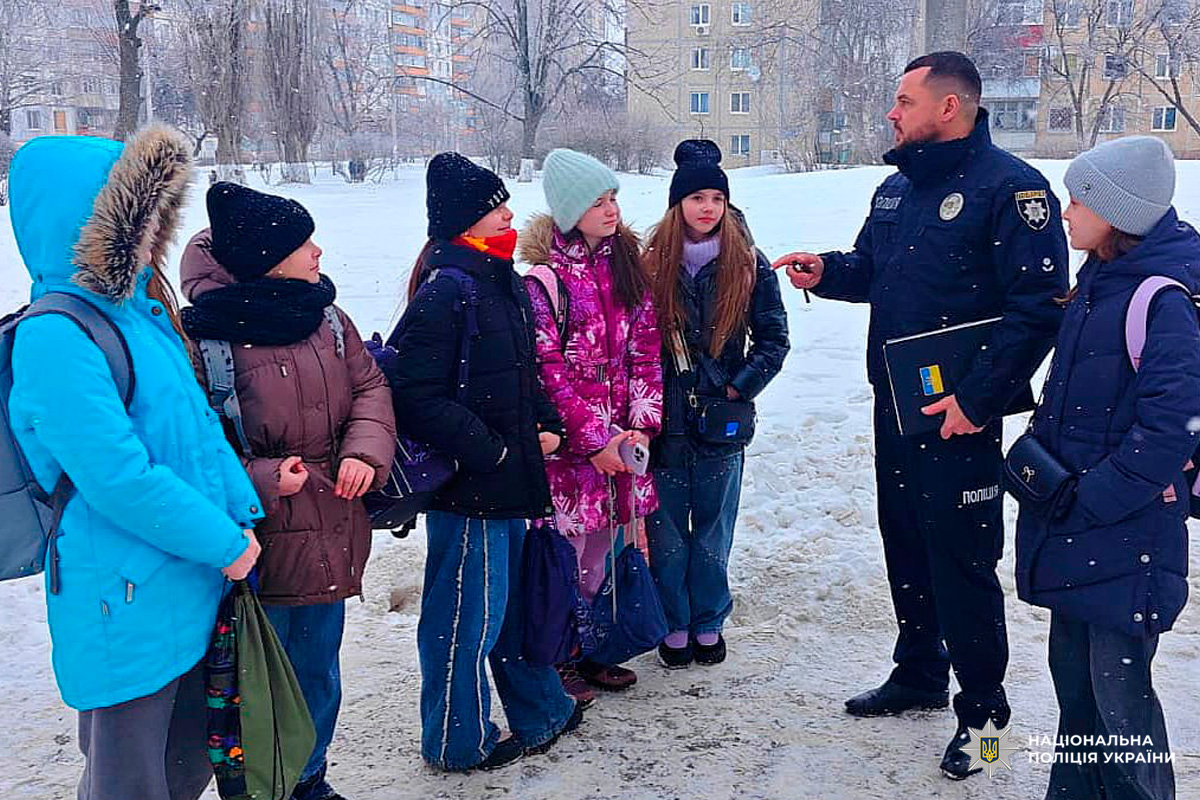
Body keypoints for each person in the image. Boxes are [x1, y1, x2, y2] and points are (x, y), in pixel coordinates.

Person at [773, 51, 1068, 779]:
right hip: (899, 408)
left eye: (904, 101)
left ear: (948, 107)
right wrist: (830, 272)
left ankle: (985, 714)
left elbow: (1038, 310)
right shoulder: (896, 191)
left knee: (962, 560)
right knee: (903, 539)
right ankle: (918, 672)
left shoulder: (1014, 190)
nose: (891, 113)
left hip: (961, 420)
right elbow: (875, 270)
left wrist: (977, 400)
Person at [7, 126, 262, 800]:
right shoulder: (56, 335)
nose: (156, 236)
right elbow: (119, 478)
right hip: (120, 597)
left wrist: (243, 513)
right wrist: (226, 540)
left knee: (184, 767)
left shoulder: (138, 317)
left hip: (188, 576)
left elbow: (200, 436)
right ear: (91, 226)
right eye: (139, 218)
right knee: (129, 781)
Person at [179, 183, 396, 800]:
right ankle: (263, 786)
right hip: (255, 540)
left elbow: (371, 388)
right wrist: (266, 478)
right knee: (257, 678)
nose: (318, 252)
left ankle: (309, 779)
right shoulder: (206, 338)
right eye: (304, 244)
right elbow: (196, 443)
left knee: (319, 672)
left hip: (332, 524)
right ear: (268, 257)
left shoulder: (326, 317)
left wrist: (363, 452)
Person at [383, 152, 581, 772]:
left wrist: (546, 421)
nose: (510, 216)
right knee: (464, 621)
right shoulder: (448, 291)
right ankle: (454, 741)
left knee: (510, 609)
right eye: (498, 210)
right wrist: (492, 449)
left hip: (508, 481)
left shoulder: (501, 282)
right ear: (468, 223)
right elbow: (414, 395)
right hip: (470, 491)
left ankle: (540, 709)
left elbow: (520, 375)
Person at [1014, 136, 1199, 800]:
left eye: (1076, 202)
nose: (1065, 214)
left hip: (1127, 538)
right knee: (1077, 690)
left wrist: (1091, 498)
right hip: (1082, 531)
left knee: (1120, 705)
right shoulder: (1098, 283)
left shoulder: (1160, 300)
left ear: (1116, 214)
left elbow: (1169, 427)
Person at [517, 148, 663, 705]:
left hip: (625, 442)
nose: (611, 210)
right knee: (567, 559)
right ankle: (559, 659)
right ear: (569, 210)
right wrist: (595, 439)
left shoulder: (628, 268)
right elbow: (548, 372)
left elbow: (646, 350)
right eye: (598, 202)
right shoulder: (544, 283)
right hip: (572, 453)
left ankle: (596, 647)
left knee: (608, 552)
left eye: (613, 199)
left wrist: (642, 426)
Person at [644, 139, 789, 670]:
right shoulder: (648, 263)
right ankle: (673, 624)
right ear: (676, 204)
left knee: (712, 531)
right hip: (663, 424)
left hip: (723, 425)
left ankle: (708, 622)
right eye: (696, 197)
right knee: (664, 532)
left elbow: (774, 339)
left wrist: (739, 386)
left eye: (716, 198)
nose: (707, 207)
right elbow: (635, 344)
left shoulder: (749, 264)